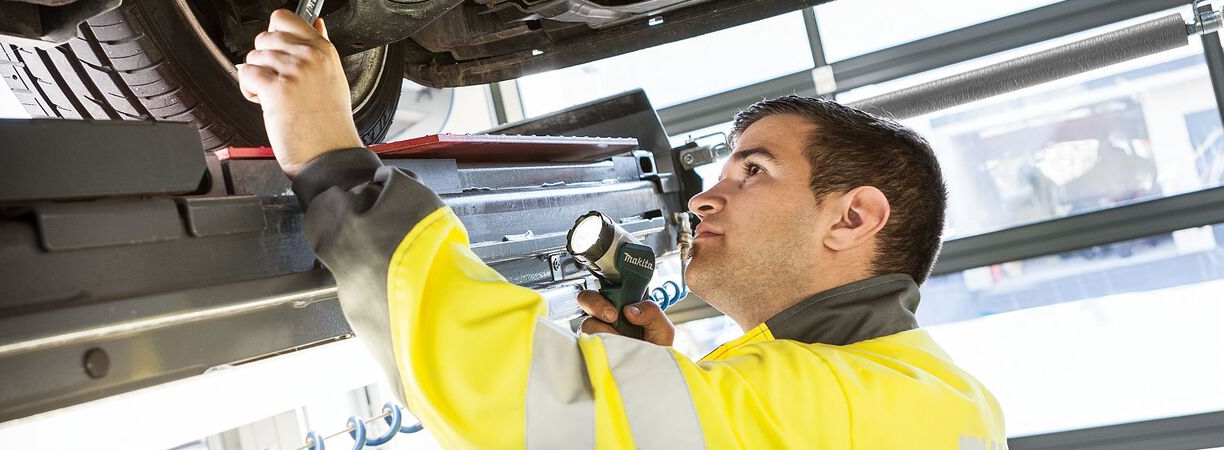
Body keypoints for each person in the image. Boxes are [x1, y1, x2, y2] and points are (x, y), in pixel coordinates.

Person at [238, 10, 1006, 449]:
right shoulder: (922, 403)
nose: (705, 201)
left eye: (754, 172)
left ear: (854, 217)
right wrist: (654, 390)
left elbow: (521, 398)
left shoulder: (869, 408)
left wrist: (333, 159)